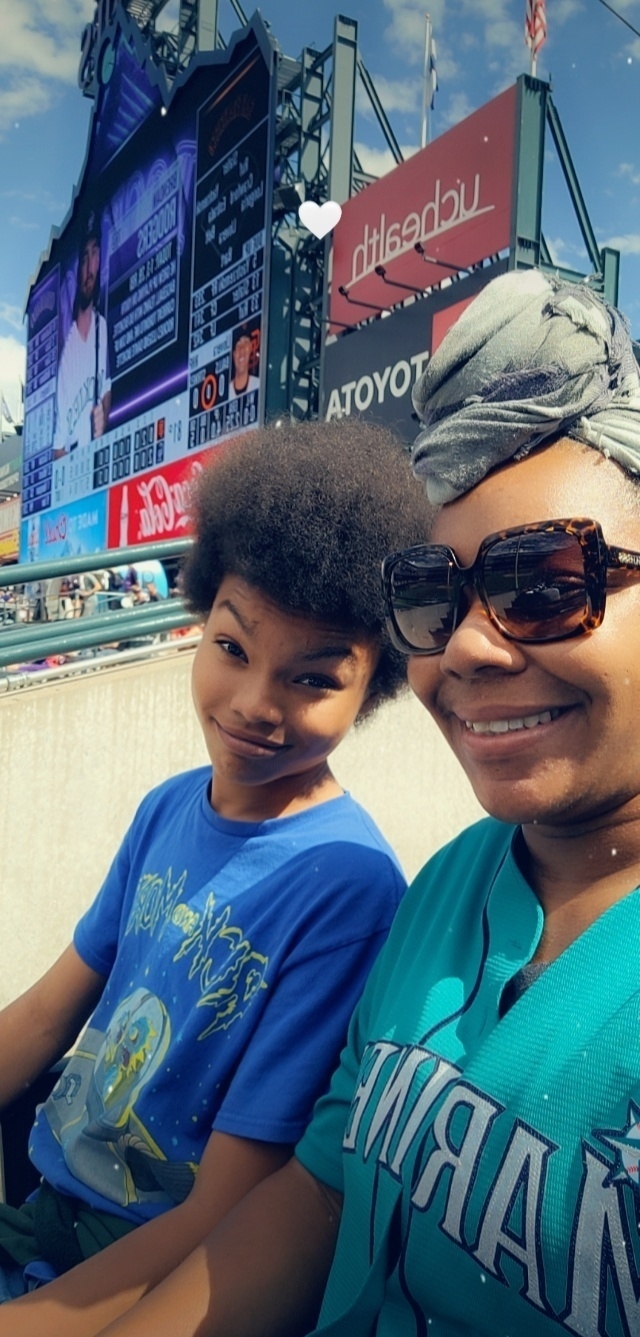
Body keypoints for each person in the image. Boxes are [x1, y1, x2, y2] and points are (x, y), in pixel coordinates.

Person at [92, 269, 640, 1337]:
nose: (470, 646)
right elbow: (322, 1189)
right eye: (431, 595)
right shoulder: (448, 886)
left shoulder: (355, 883)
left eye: (543, 581)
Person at [0, 417, 432, 1335]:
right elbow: (44, 1014)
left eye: (312, 679)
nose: (253, 704)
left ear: (377, 685)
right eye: (233, 648)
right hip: (39, 1201)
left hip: (141, 1269)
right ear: (200, 622)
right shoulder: (167, 808)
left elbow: (225, 1212)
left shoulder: (348, 890)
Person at [53, 211, 111, 459]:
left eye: (95, 253)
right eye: (84, 257)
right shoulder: (65, 353)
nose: (89, 269)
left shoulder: (103, 327)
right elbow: (58, 448)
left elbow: (107, 388)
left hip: (99, 465)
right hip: (75, 468)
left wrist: (104, 416)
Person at [228, 326, 259, 400]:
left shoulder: (258, 384)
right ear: (234, 354)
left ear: (250, 349)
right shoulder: (226, 392)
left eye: (246, 343)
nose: (242, 350)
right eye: (238, 345)